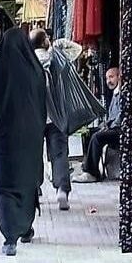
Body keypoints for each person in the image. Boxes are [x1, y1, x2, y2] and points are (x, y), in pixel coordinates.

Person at [0, 27, 47, 256]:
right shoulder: (35, 71)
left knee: (5, 184)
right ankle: (26, 227)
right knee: (27, 182)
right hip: (29, 139)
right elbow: (42, 106)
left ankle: (10, 237)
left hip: (3, 140)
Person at [31, 28, 82, 211]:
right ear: (46, 41)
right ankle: (62, 189)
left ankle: (35, 187)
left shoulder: (28, 62)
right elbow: (78, 50)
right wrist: (57, 45)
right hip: (56, 115)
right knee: (59, 153)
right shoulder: (57, 58)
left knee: (34, 154)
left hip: (35, 115)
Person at [73, 67, 122, 183]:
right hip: (113, 128)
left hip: (120, 130)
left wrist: (109, 126)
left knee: (97, 137)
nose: (108, 81)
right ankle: (89, 167)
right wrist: (104, 125)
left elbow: (121, 115)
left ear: (119, 76)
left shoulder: (123, 93)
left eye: (111, 77)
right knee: (89, 133)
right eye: (106, 78)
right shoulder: (115, 94)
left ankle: (91, 173)